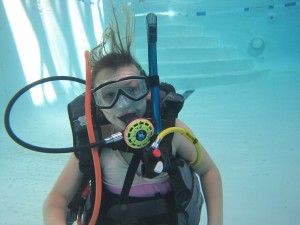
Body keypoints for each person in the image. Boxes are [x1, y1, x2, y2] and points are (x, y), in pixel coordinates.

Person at [43, 6, 223, 225]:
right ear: (97, 104)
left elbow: (209, 171)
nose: (124, 103)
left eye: (133, 88)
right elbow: (57, 199)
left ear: (147, 91)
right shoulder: (94, 142)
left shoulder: (172, 133)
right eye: (109, 95)